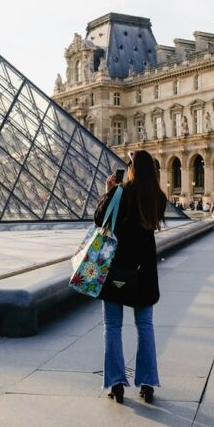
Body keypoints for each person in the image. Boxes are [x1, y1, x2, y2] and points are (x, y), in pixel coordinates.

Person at [94, 150, 164, 404]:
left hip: (116, 269)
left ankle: (116, 383)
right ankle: (147, 383)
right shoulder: (158, 196)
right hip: (143, 273)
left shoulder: (120, 193)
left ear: (132, 168)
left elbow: (99, 221)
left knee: (112, 327)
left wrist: (108, 190)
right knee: (145, 327)